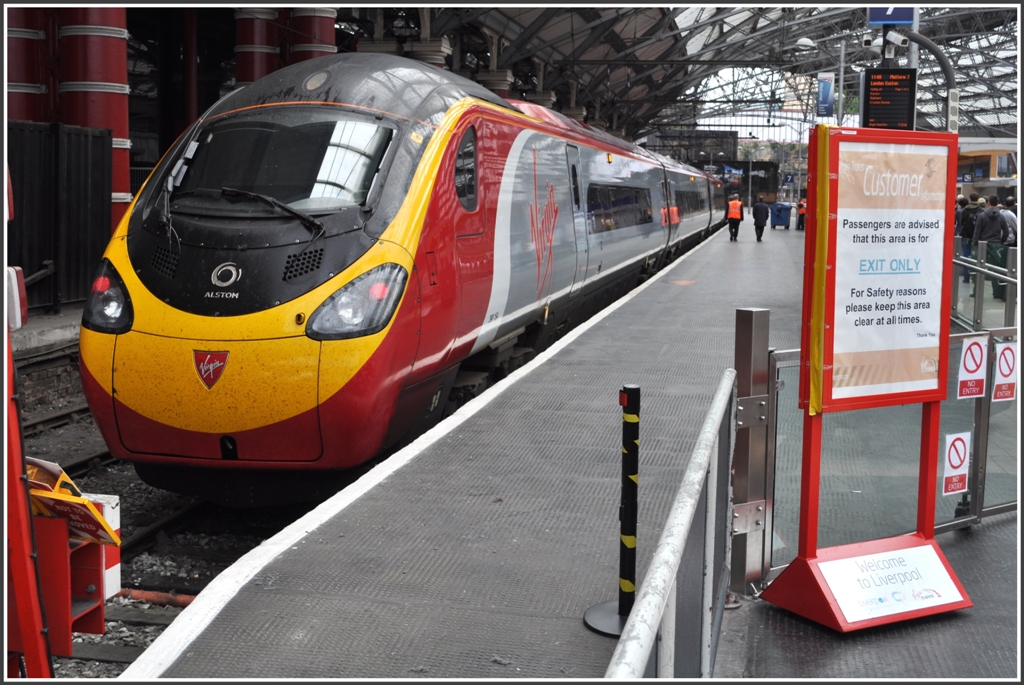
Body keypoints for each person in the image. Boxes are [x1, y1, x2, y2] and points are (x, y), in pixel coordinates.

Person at [973, 194, 1009, 301]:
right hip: (996, 246)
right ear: (997, 203)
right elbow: (1006, 232)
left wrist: (975, 244)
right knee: (995, 270)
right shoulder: (1001, 216)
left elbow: (977, 232)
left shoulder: (982, 216)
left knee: (979, 268)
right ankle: (997, 293)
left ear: (988, 203)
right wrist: (1001, 241)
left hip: (983, 245)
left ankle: (976, 291)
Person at [959, 193, 984, 284]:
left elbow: (961, 222)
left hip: (966, 236)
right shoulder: (981, 210)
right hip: (978, 237)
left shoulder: (965, 210)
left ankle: (966, 278)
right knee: (977, 257)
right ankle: (975, 278)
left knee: (966, 257)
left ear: (970, 199)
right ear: (977, 199)